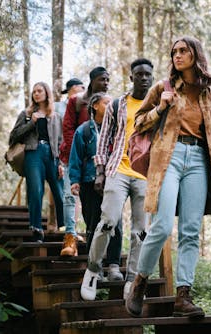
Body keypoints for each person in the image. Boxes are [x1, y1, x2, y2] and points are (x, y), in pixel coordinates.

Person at [125, 37, 211, 318]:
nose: (177, 55)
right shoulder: (162, 89)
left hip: (200, 161)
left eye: (183, 51)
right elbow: (138, 124)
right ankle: (140, 282)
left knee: (191, 231)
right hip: (169, 157)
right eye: (174, 52)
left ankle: (183, 296)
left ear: (195, 55)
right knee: (162, 226)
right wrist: (160, 107)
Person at [80, 58, 154, 301]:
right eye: (139, 74)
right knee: (108, 221)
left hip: (144, 175)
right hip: (117, 170)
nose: (144, 78)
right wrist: (100, 172)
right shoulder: (116, 105)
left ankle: (132, 280)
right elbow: (104, 139)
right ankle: (92, 270)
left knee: (140, 231)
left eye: (147, 75)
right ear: (131, 78)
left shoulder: (157, 107)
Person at [68, 93, 123, 275]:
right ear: (95, 106)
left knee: (115, 223)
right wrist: (74, 181)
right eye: (107, 103)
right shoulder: (84, 130)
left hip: (114, 181)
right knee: (93, 223)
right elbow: (75, 158)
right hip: (89, 183)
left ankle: (114, 265)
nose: (111, 106)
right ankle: (95, 266)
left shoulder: (117, 130)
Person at [59, 67, 110, 257]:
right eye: (102, 79)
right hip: (75, 157)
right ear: (92, 80)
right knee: (70, 196)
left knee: (97, 207)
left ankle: (98, 245)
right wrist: (77, 156)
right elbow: (68, 128)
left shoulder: (108, 103)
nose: (105, 83)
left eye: (107, 80)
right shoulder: (77, 101)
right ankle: (70, 239)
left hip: (100, 164)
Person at [9, 82, 64, 242]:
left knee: (60, 192)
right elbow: (13, 136)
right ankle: (36, 228)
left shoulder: (55, 116)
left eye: (39, 91)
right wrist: (31, 123)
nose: (36, 94)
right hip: (33, 154)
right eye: (34, 92)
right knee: (36, 190)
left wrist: (61, 163)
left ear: (47, 93)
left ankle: (64, 227)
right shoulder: (26, 113)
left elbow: (61, 142)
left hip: (52, 156)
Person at [53, 78, 84, 236]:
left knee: (76, 194)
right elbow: (57, 132)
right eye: (81, 86)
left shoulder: (86, 105)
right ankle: (67, 231)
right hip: (64, 153)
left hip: (82, 153)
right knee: (65, 194)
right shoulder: (58, 107)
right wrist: (58, 157)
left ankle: (75, 228)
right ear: (73, 88)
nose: (84, 89)